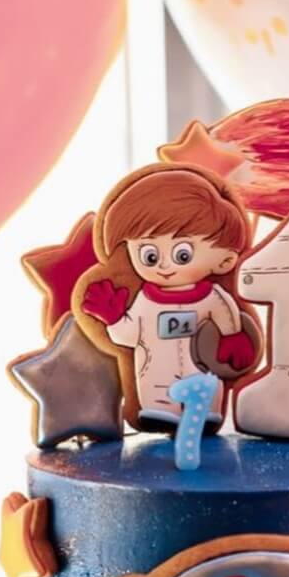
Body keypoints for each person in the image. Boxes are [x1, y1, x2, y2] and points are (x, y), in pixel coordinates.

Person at [77, 165, 257, 432]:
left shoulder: (213, 299)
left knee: (207, 386)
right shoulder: (144, 301)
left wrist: (232, 338)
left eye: (182, 254)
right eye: (149, 255)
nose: (164, 266)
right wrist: (113, 318)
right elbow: (129, 337)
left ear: (225, 260)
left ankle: (206, 412)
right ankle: (160, 411)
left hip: (202, 372)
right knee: (157, 388)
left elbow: (226, 319)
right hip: (155, 373)